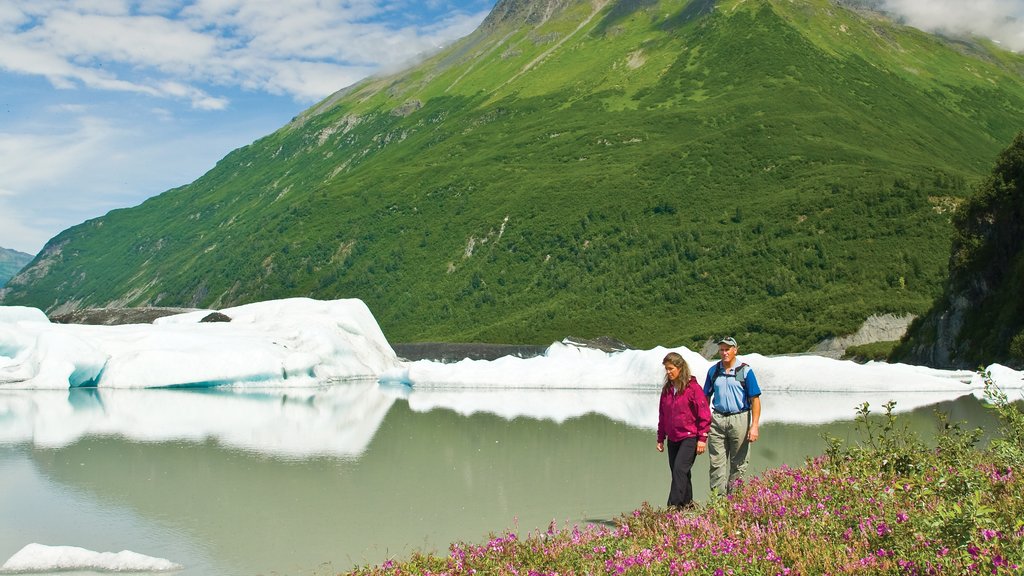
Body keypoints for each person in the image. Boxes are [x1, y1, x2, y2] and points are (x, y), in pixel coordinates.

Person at [703, 336, 762, 496]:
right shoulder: (713, 371)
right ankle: (718, 501)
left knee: (739, 462)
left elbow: (755, 399)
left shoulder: (745, 371)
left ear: (735, 350)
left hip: (740, 418)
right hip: (717, 418)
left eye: (727, 349)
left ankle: (733, 499)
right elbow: (705, 397)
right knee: (716, 462)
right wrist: (705, 418)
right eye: (721, 349)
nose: (724, 352)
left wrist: (754, 426)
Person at [656, 352, 712, 508]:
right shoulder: (667, 390)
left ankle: (673, 507)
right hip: (673, 438)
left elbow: (704, 414)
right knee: (681, 472)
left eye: (671, 368)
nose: (668, 372)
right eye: (666, 369)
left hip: (690, 437)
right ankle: (688, 506)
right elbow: (662, 415)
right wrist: (660, 438)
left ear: (680, 368)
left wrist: (702, 438)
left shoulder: (693, 388)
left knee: (679, 470)